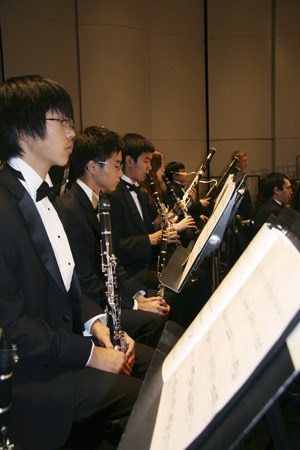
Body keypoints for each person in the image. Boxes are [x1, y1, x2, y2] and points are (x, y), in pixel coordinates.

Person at [0, 75, 153, 450]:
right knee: (152, 400)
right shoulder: (4, 208)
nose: (72, 132)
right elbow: (13, 330)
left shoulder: (46, 197)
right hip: (33, 379)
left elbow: (69, 288)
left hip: (60, 353)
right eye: (62, 121)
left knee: (160, 367)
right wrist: (91, 355)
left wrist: (96, 325)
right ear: (23, 131)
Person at [61, 125, 166, 347]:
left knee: (157, 310)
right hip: (90, 309)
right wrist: (134, 305)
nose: (120, 173)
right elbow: (85, 280)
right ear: (92, 166)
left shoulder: (97, 201)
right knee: (153, 322)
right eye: (117, 166)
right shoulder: (71, 209)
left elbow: (112, 261)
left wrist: (137, 296)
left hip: (104, 298)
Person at [106, 133, 212, 328]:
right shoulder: (115, 194)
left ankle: (193, 325)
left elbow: (148, 226)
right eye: (146, 161)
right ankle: (180, 330)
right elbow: (117, 245)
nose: (149, 167)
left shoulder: (140, 191)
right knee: (188, 283)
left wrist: (162, 222)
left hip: (148, 262)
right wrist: (152, 238)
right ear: (129, 161)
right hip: (135, 268)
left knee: (196, 272)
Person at [165, 160, 210, 228]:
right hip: (180, 224)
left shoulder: (178, 187)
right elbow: (182, 211)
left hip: (185, 221)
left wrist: (198, 216)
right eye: (183, 171)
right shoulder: (173, 190)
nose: (186, 173)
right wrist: (200, 204)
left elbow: (187, 208)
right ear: (175, 175)